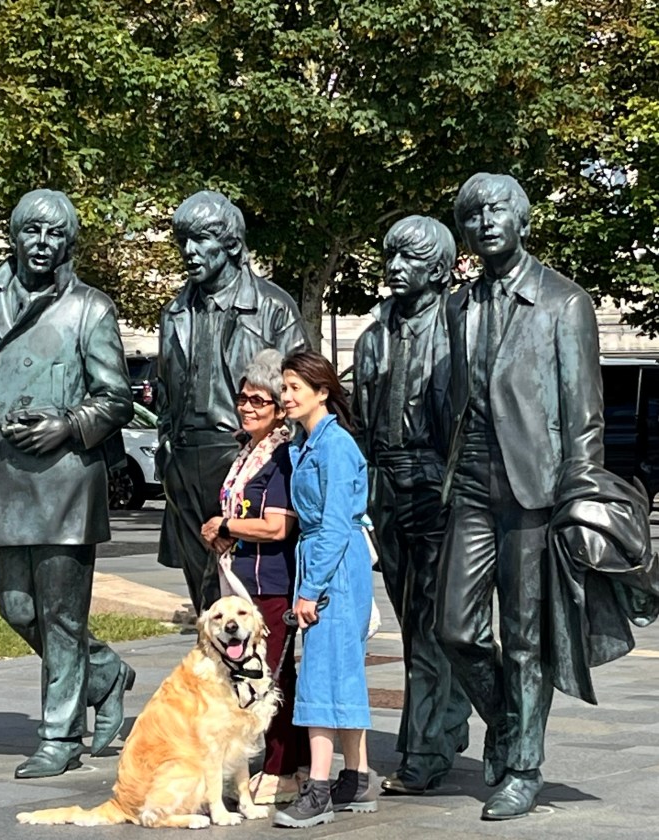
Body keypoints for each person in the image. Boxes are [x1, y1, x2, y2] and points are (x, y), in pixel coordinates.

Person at [0, 189, 136, 779]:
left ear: (69, 243)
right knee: (17, 608)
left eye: (56, 234)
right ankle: (105, 673)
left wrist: (68, 424)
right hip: (1, 478)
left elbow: (115, 398)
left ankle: (60, 735)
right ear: (15, 236)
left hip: (65, 482)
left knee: (61, 615)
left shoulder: (89, 309)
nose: (43, 244)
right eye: (33, 231)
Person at [435, 173, 604, 820]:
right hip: (471, 480)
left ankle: (524, 766)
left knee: (525, 635)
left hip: (536, 487)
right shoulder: (458, 305)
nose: (485, 221)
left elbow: (584, 416)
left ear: (523, 220)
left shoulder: (564, 302)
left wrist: (580, 497)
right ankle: (510, 721)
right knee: (455, 628)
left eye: (497, 209)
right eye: (472, 213)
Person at [352, 216, 471, 794]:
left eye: (409, 259)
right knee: (414, 620)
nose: (394, 268)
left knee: (430, 625)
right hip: (387, 489)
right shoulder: (373, 337)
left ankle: (425, 749)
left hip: (441, 488)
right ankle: (450, 713)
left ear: (440, 270)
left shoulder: (461, 330)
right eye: (390, 256)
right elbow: (362, 420)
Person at [156, 190, 310, 615]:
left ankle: (255, 661)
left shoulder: (273, 307)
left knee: (249, 593)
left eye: (201, 239)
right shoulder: (175, 312)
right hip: (185, 461)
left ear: (231, 244)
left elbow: (300, 392)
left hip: (246, 458)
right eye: (183, 241)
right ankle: (215, 661)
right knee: (205, 599)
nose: (189, 251)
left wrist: (279, 460)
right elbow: (166, 391)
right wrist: (166, 452)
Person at [200, 348, 310, 805]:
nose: (247, 407)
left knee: (272, 676)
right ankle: (285, 762)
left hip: (271, 583)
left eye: (258, 401)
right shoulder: (248, 452)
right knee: (253, 674)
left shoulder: (281, 457)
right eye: (243, 398)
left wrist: (225, 525)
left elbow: (278, 526)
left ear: (279, 408)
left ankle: (285, 767)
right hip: (242, 580)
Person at [272, 350, 376, 829]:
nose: (286, 396)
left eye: (295, 387)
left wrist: (309, 590)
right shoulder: (310, 443)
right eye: (284, 387)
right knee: (343, 669)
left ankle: (318, 789)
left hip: (333, 564)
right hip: (330, 558)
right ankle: (356, 778)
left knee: (321, 672)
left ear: (322, 391)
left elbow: (334, 525)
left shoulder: (333, 446)